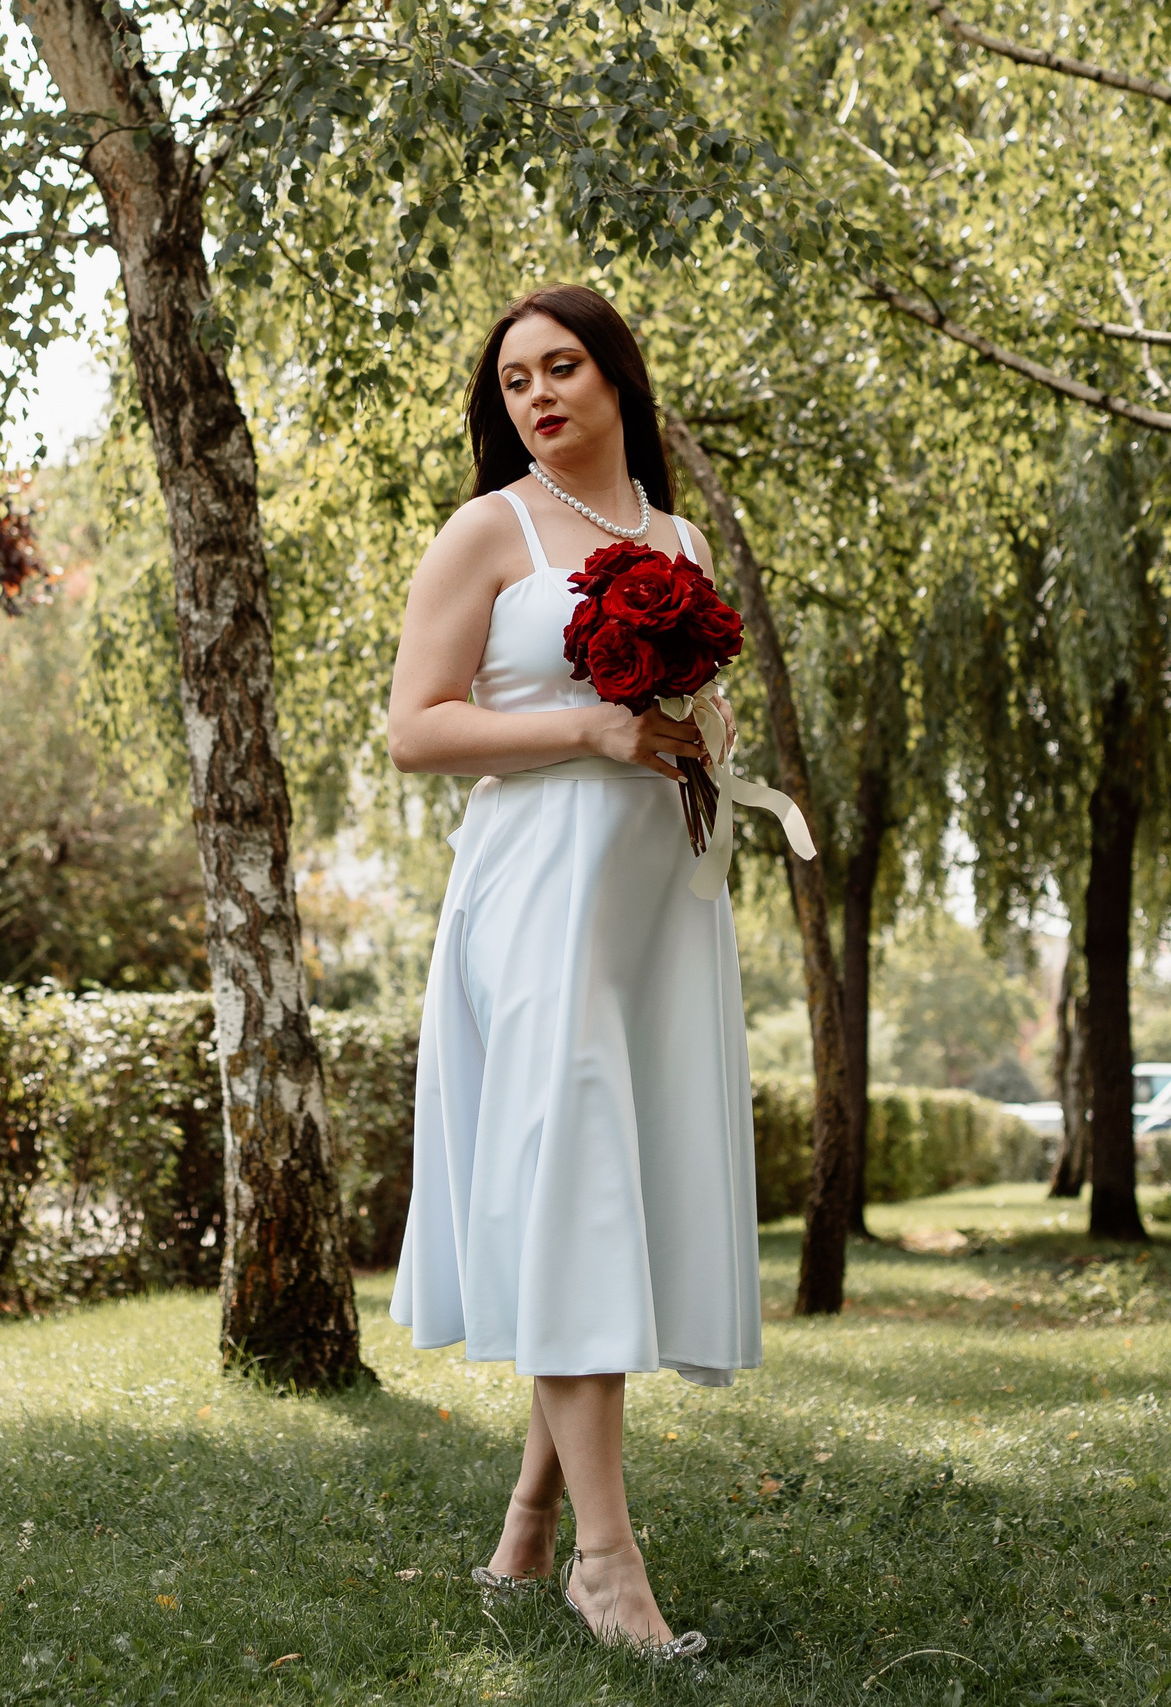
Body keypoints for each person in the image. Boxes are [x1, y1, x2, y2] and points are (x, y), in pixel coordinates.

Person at [382, 283, 763, 1661]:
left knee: (605, 1182)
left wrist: (693, 730)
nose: (537, 396)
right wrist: (591, 740)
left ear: (616, 378)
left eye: (563, 368)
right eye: (515, 382)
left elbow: (685, 712)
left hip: (653, 893)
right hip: (537, 889)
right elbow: (415, 731)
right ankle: (609, 1564)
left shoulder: (675, 533)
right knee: (573, 1179)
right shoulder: (489, 530)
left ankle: (531, 1525)